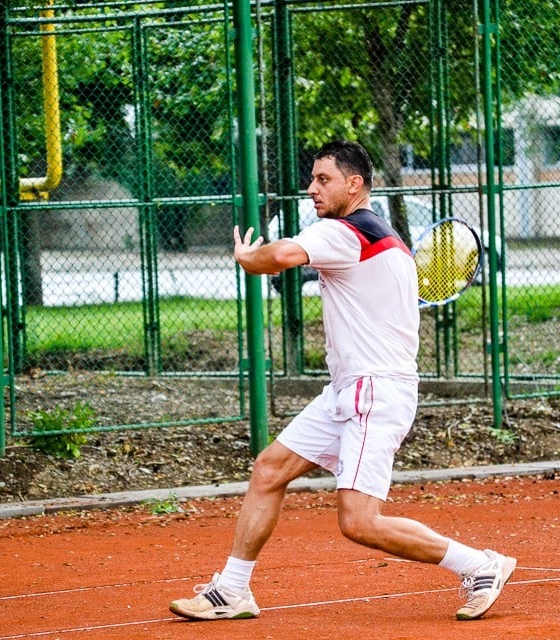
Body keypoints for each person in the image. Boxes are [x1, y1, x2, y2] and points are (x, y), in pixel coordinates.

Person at [169, 140, 516, 622]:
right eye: (312, 179)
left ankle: (481, 565)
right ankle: (231, 590)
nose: (312, 189)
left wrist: (249, 258)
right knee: (269, 470)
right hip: (349, 391)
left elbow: (283, 255)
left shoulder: (345, 232)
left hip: (374, 394)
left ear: (354, 185)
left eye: (323, 180)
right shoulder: (387, 240)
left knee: (359, 522)